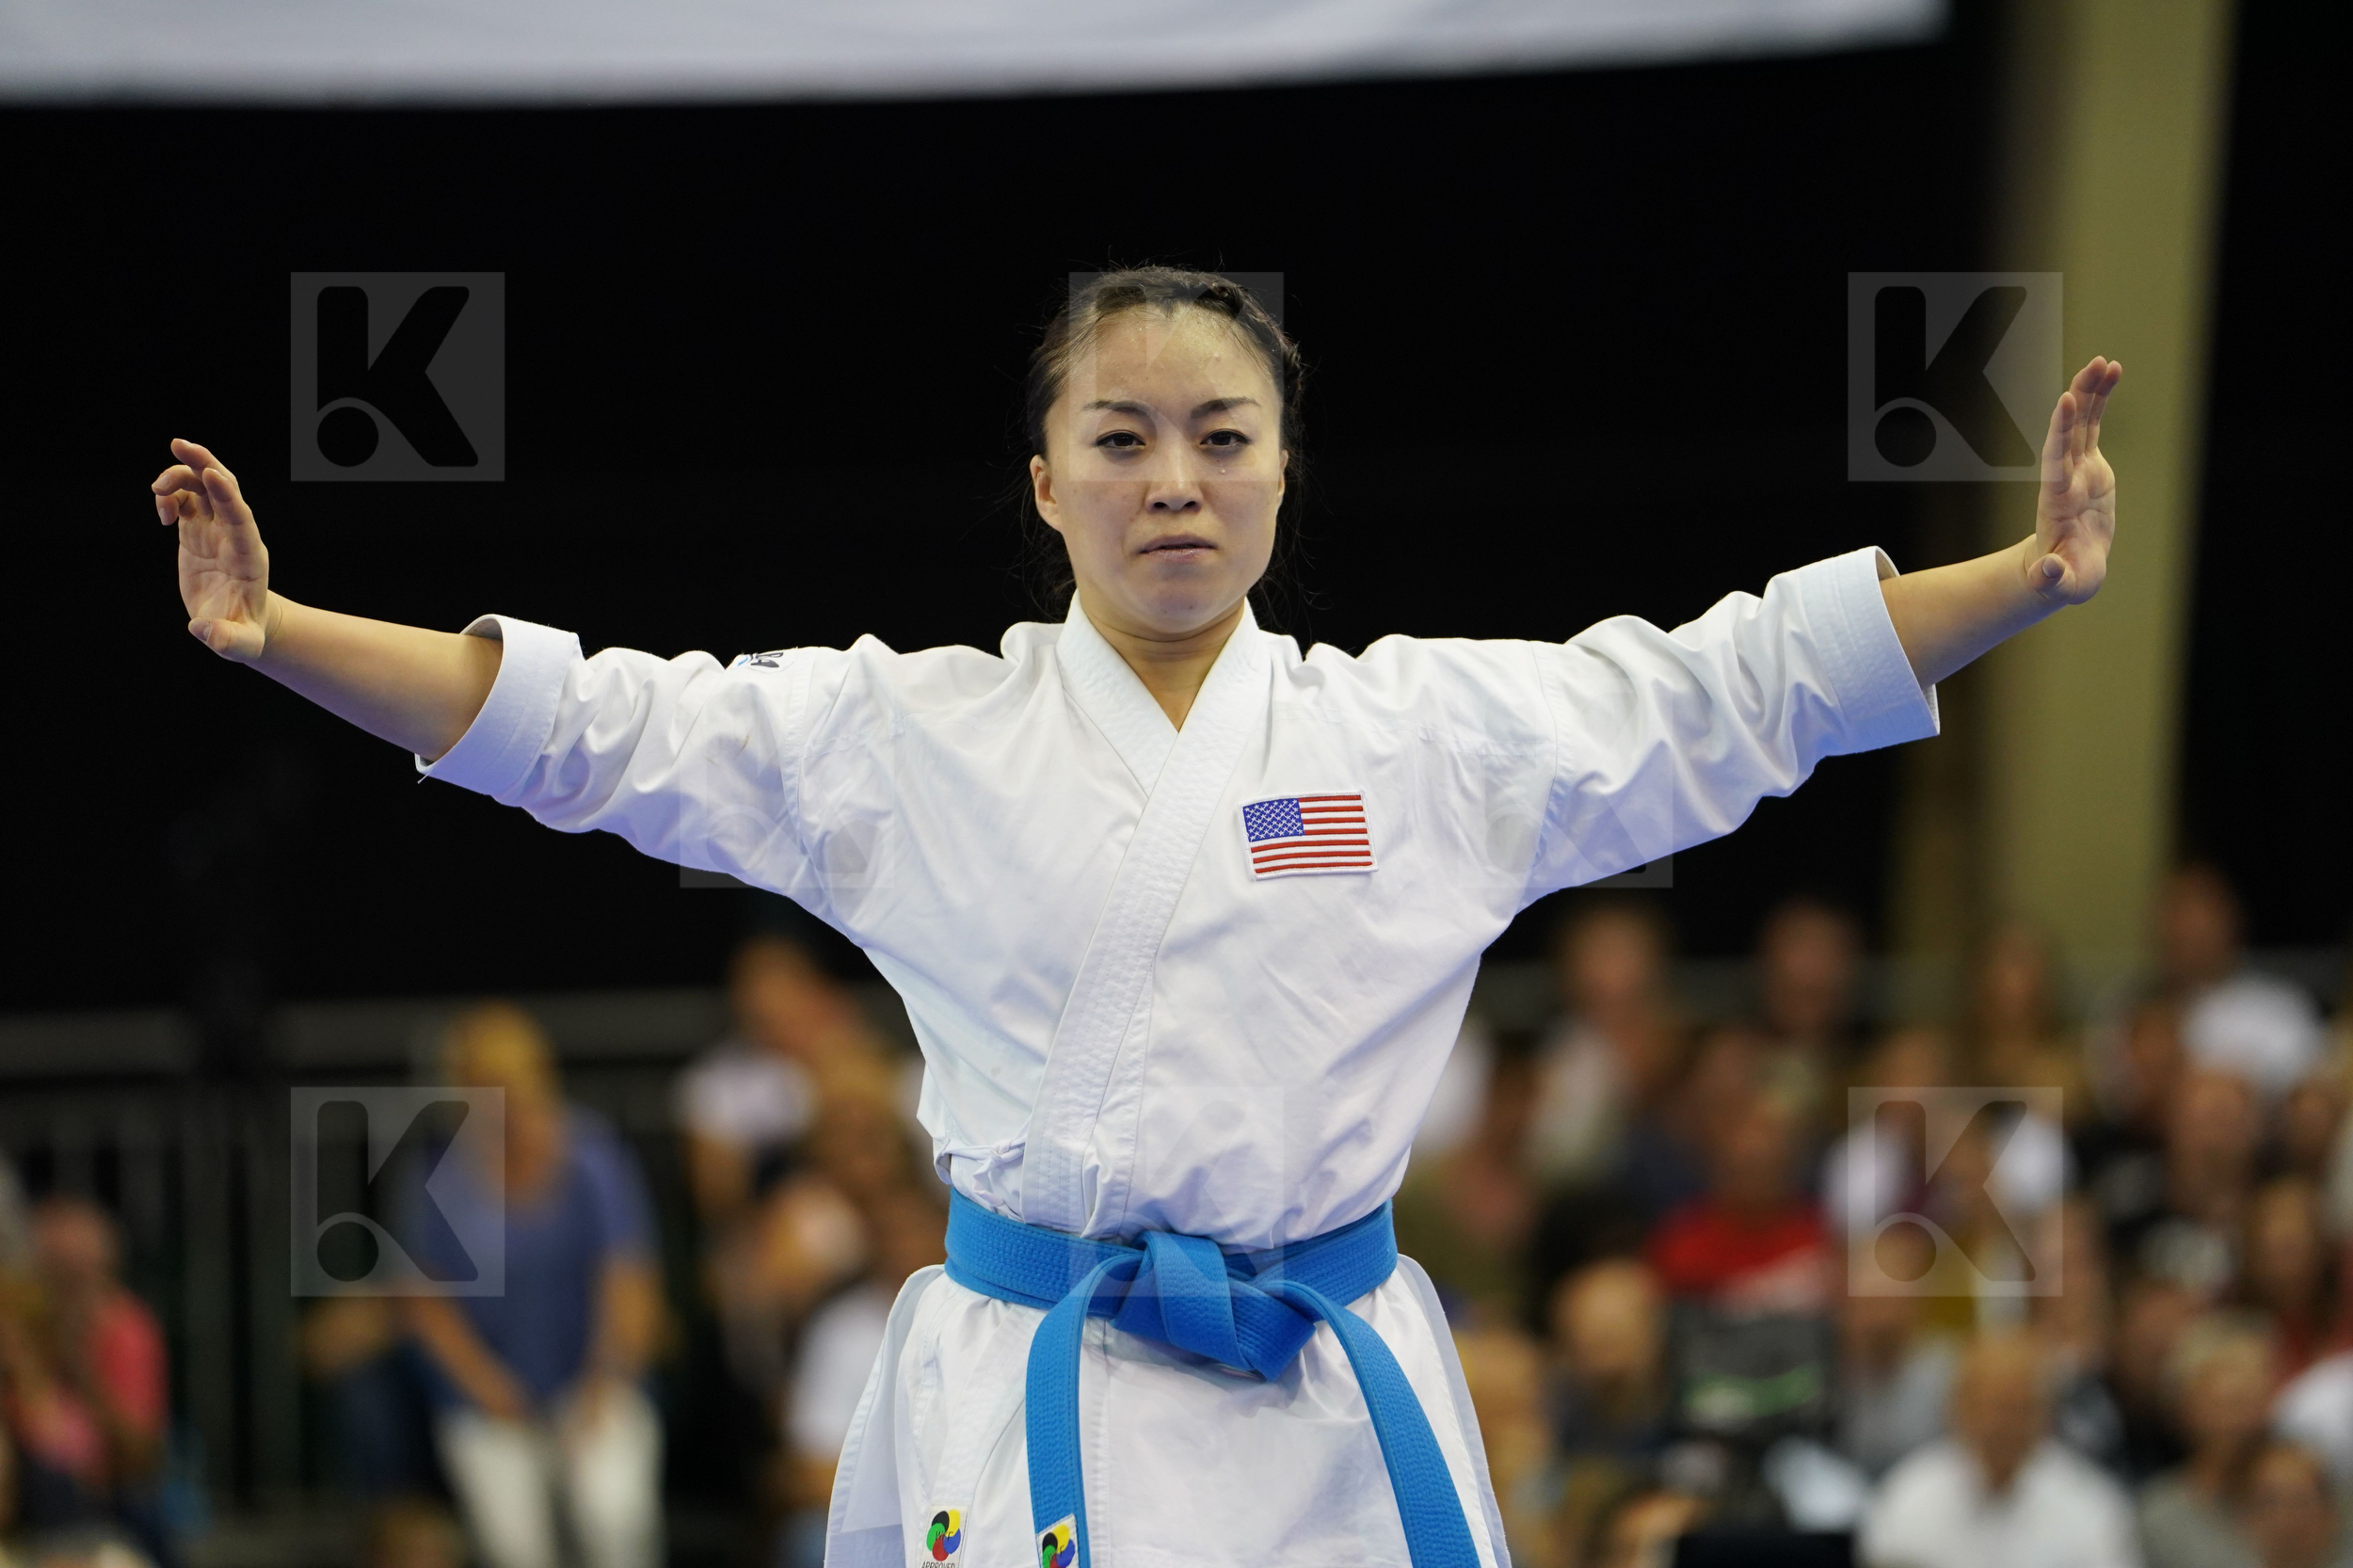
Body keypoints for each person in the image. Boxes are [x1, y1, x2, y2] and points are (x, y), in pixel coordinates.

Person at [152, 263, 2126, 1568]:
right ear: (1044, 484)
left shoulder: (1424, 735)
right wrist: (278, 631)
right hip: (1040, 1378)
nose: (1173, 479)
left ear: (1282, 475)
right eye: (1120, 438)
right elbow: (599, 728)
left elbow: (1733, 688)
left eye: (1220, 436)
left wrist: (2025, 574)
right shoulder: (910, 737)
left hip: (1330, 1382)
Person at [399, 1004, 664, 1568]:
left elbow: (627, 1285)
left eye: (520, 1079)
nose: (508, 1099)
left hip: (594, 1382)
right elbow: (426, 1306)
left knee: (613, 1516)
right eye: (486, 1083)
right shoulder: (435, 1174)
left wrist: (601, 1388)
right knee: (515, 1547)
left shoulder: (594, 1159)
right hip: (485, 1399)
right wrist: (490, 1391)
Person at [1861, 1331, 2141, 1568]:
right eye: (1987, 1406)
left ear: (2045, 1415)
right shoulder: (1907, 1500)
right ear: (1955, 1410)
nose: (2000, 1425)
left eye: (2017, 1408)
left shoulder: (2091, 1507)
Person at [2151, 867, 2325, 1103]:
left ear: (2231, 922)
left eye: (2200, 916)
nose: (2186, 931)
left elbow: (2309, 1098)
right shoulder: (2134, 1012)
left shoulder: (2278, 1008)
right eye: (2176, 915)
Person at [2136, 1315, 2280, 1568]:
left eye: (2250, 1401)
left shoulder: (2316, 1498)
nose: (2239, 1422)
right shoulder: (2160, 1517)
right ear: (2183, 1410)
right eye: (2224, 1404)